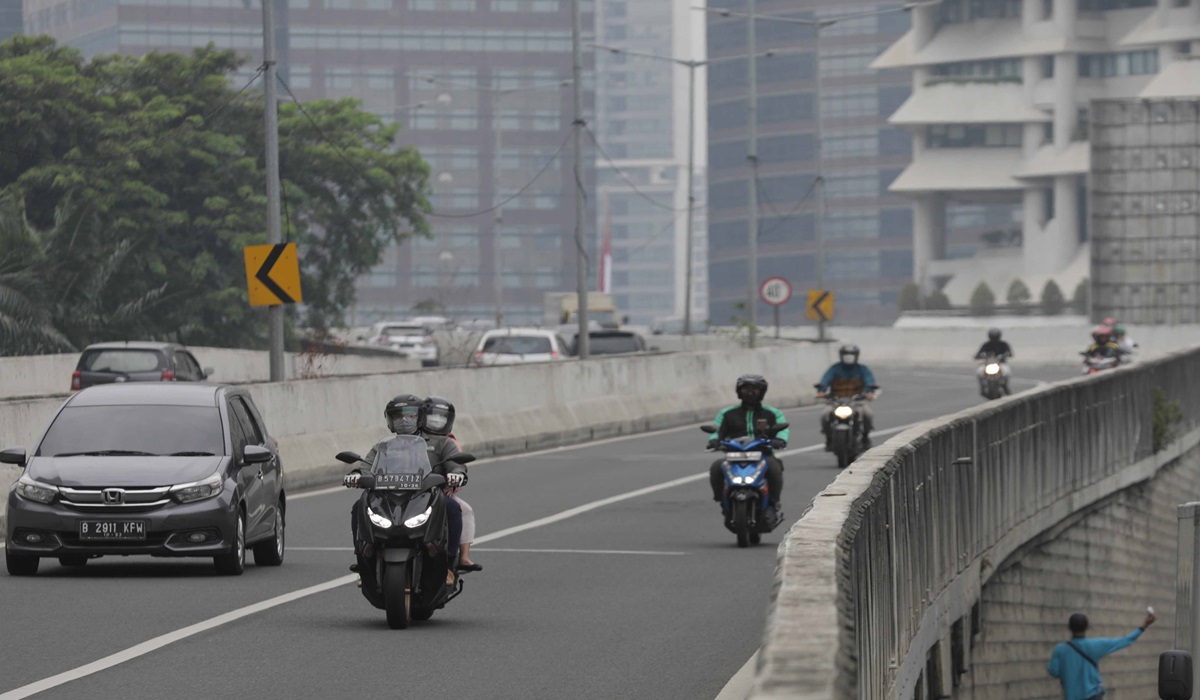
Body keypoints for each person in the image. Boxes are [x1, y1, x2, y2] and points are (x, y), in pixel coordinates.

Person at [344, 394, 466, 584]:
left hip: (427, 496)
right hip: (389, 496)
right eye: (397, 416)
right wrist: (357, 475)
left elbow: (455, 464)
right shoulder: (384, 445)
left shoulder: (442, 442)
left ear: (420, 417)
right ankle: (364, 556)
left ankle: (449, 564)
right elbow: (367, 465)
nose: (403, 421)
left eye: (409, 416)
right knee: (358, 506)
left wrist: (456, 474)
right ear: (390, 420)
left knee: (452, 509)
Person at [707, 374, 788, 517]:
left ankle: (772, 503)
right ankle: (722, 500)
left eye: (755, 389)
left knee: (774, 467)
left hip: (763, 455)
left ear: (762, 392)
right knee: (716, 467)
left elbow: (783, 430)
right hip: (734, 455)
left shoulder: (773, 413)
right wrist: (714, 440)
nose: (750, 392)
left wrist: (780, 440)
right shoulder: (726, 414)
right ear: (739, 391)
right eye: (746, 388)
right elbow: (717, 430)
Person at [420, 395, 482, 573]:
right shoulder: (408, 439)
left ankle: (456, 559)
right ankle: (367, 558)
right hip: (403, 492)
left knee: (460, 510)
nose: (437, 420)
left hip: (436, 493)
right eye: (433, 415)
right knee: (366, 507)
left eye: (441, 416)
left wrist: (454, 480)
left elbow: (457, 466)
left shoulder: (448, 442)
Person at [1047, 609, 1156, 700]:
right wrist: (1144, 626)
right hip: (1092, 696)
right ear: (1087, 627)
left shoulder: (1060, 650)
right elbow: (1125, 641)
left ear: (1069, 628)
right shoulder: (1096, 645)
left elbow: (1054, 671)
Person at [816, 344, 878, 449]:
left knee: (868, 415)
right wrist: (821, 391)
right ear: (841, 355)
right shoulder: (835, 369)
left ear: (856, 355)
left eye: (851, 354)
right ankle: (829, 437)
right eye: (846, 354)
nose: (848, 357)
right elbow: (825, 380)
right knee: (824, 415)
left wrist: (869, 392)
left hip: (857, 401)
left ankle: (865, 437)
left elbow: (869, 381)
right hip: (836, 401)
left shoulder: (862, 369)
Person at [974, 328, 1013, 396]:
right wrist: (981, 356)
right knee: (979, 372)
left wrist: (1004, 355)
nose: (994, 339)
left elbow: (1010, 353)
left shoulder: (1003, 344)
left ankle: (1004, 385)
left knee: (1007, 372)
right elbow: (978, 354)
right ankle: (982, 387)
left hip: (1001, 363)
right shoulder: (986, 345)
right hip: (988, 363)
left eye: (995, 337)